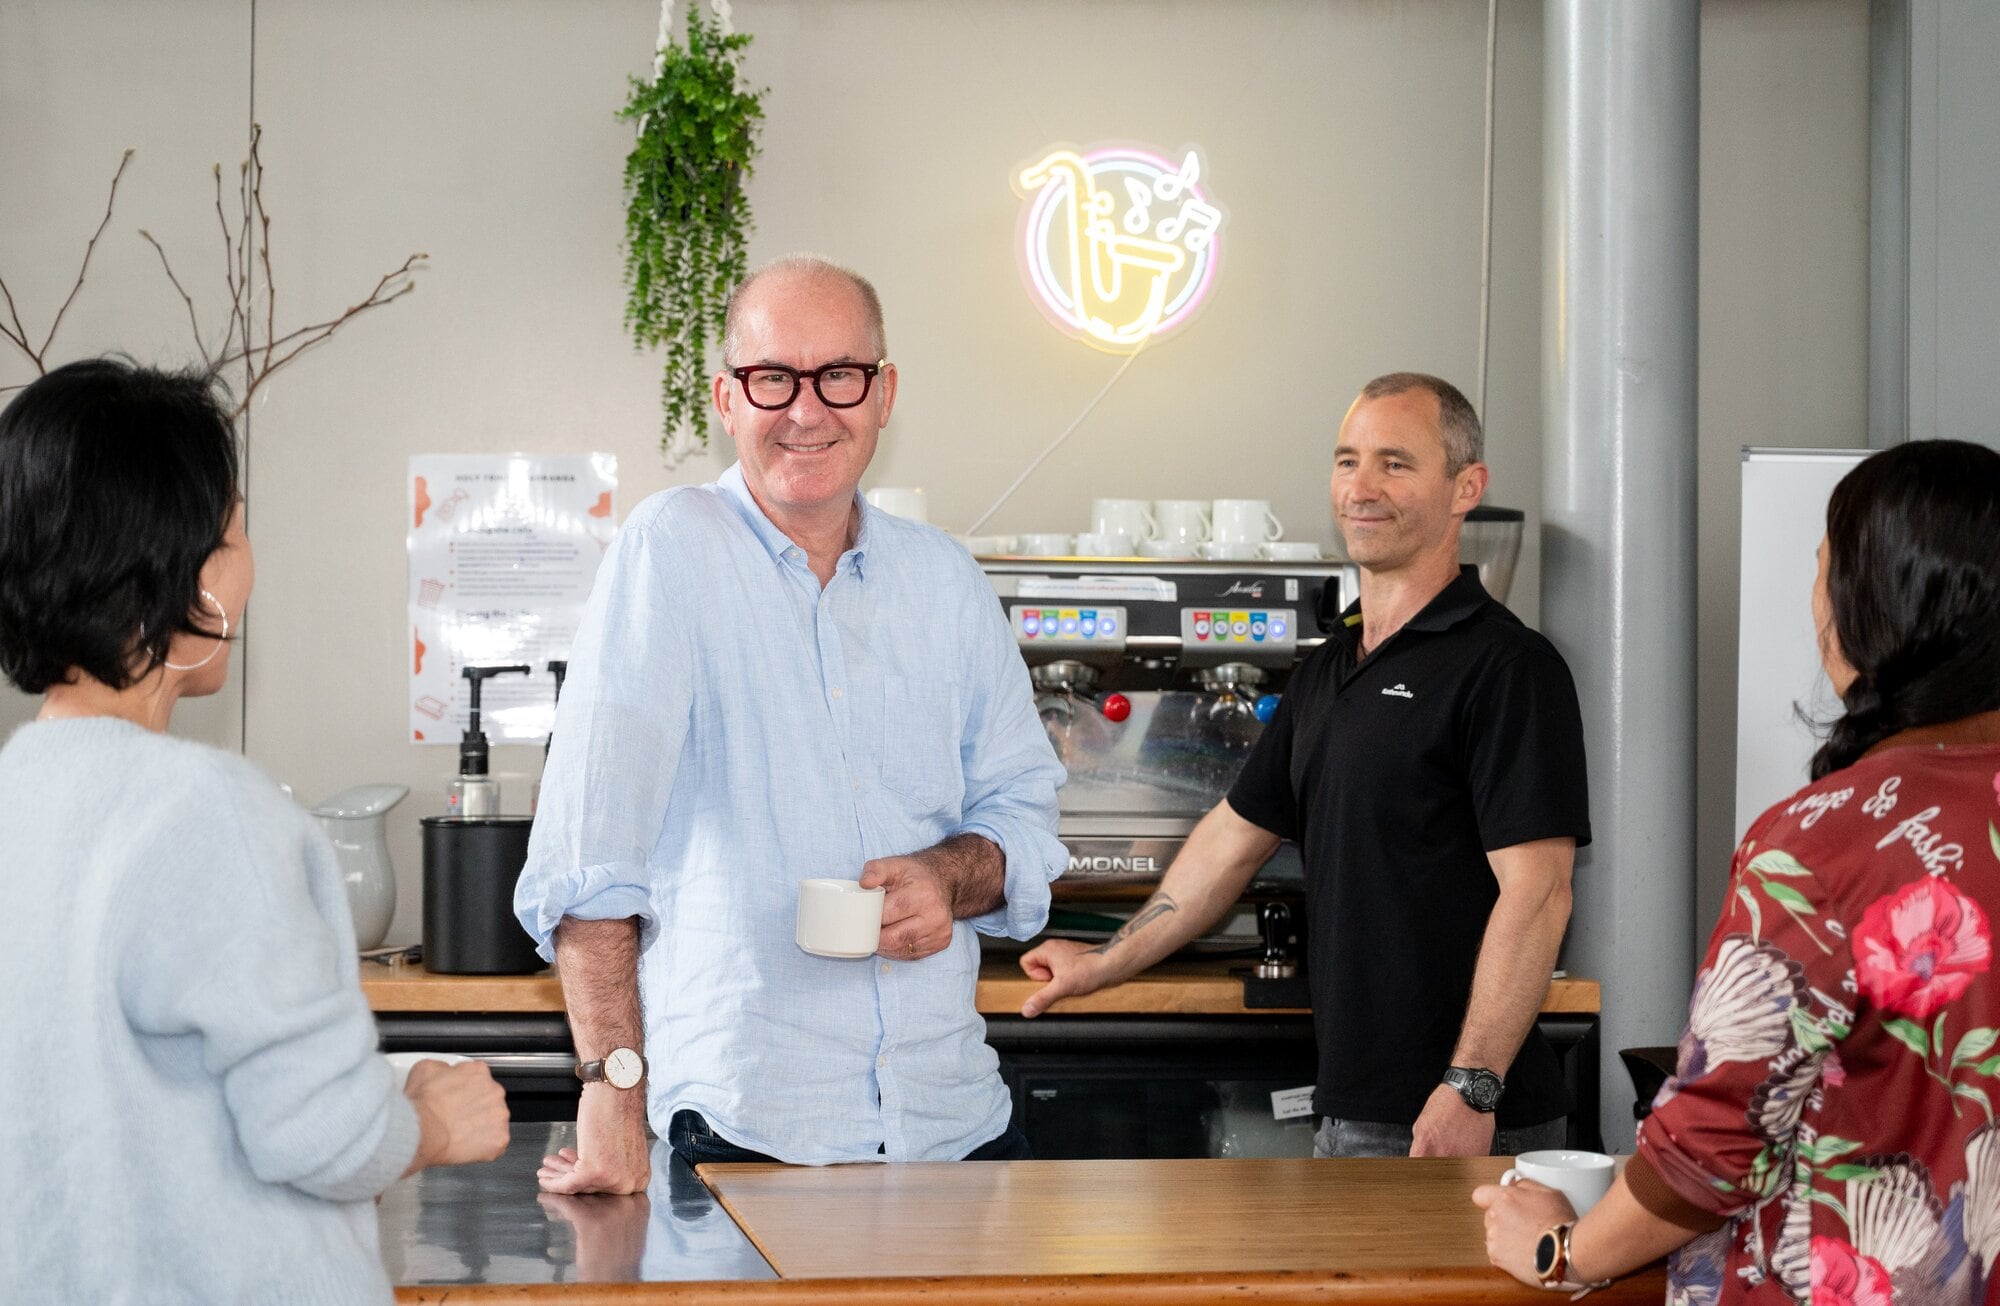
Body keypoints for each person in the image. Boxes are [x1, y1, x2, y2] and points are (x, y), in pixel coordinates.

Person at [515, 254, 1066, 1190]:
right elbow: (587, 855)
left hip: (956, 1128)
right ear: (728, 398)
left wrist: (950, 877)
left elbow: (1025, 812)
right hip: (745, 1132)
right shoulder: (669, 551)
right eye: (774, 378)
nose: (807, 410)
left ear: (884, 394)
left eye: (839, 375)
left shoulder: (946, 581)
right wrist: (613, 1093)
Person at [0, 359, 510, 1303]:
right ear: (179, 566)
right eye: (234, 528)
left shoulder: (16, 801)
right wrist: (431, 1122)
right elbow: (324, 1137)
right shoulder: (209, 813)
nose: (248, 557)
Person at [1476, 438, 2000, 1301]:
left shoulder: (1825, 842)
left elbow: (1714, 1150)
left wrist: (1560, 1248)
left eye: (1825, 572)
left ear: (1871, 608)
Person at [1020, 372, 1590, 1158]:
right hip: (1354, 1105)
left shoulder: (1509, 666)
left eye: (1396, 463)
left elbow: (1541, 893)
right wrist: (1100, 963)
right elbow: (1229, 839)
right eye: (1348, 460)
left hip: (1463, 1116)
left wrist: (1472, 1086)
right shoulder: (1330, 669)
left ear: (1466, 488)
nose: (1363, 486)